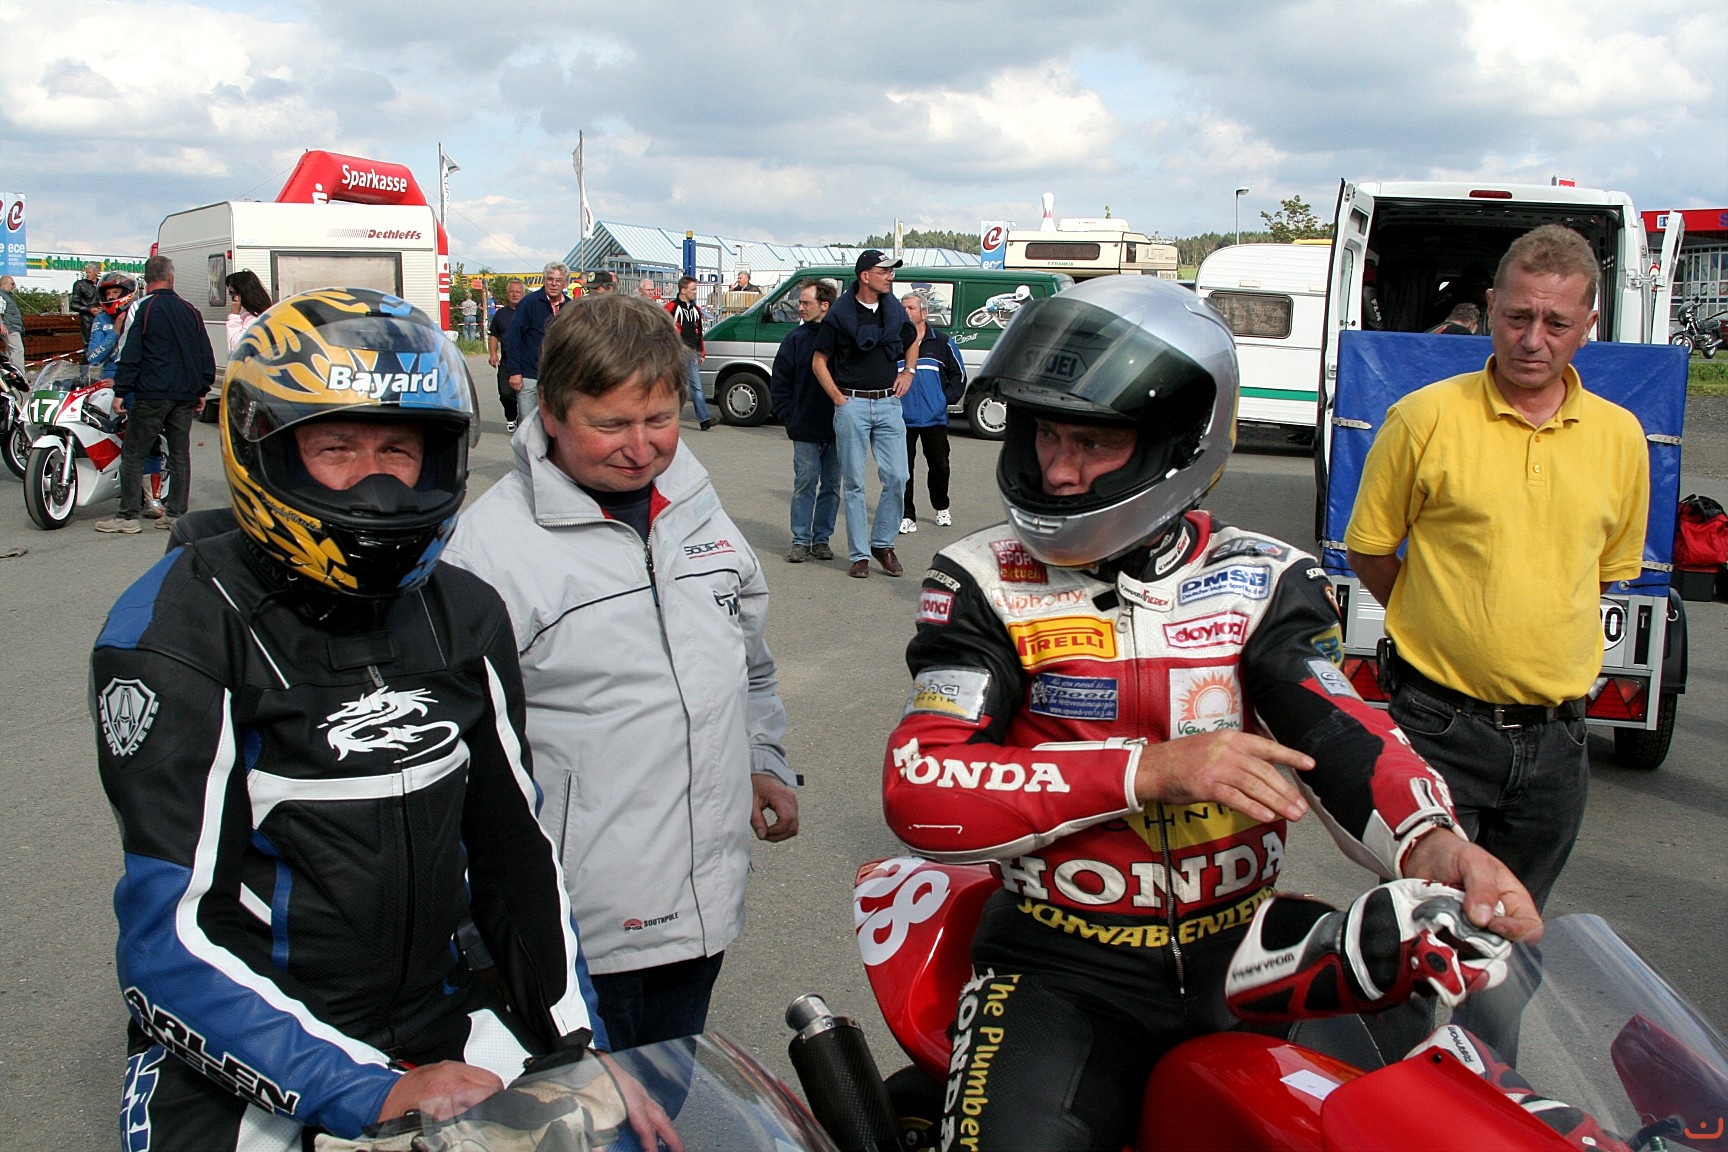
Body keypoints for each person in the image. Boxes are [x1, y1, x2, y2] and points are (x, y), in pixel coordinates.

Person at [883, 275, 1540, 1151]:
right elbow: (921, 784)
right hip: (1059, 965)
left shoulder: (1266, 576)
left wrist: (1434, 842)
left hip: (1247, 955)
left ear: (1178, 443)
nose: (1059, 469)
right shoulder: (980, 578)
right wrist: (1147, 770)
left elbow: (1340, 727)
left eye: (1095, 440)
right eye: (1045, 434)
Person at [90, 287, 661, 1150]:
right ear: (266, 448)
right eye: (336, 447)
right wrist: (365, 1089)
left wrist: (579, 1048)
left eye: (398, 448)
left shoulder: (465, 611)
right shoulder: (178, 630)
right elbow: (167, 938)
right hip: (258, 1038)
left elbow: (516, 854)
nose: (377, 479)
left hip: (441, 1017)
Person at [443, 292, 800, 1051]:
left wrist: (762, 758)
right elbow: (453, 759)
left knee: (670, 1089)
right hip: (577, 931)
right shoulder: (485, 554)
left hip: (703, 907)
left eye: (660, 419)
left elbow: (750, 666)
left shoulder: (698, 508)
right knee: (597, 1105)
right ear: (550, 412)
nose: (641, 448)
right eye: (610, 425)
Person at [1345, 224, 1649, 915]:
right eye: (1517, 316)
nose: (1532, 339)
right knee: (1421, 938)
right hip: (1438, 729)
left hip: (1558, 746)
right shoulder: (1422, 419)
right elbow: (1369, 550)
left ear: (1587, 326)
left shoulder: (1620, 438)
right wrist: (1443, 622)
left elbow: (1598, 575)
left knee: (1510, 939)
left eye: (1556, 323)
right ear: (1490, 308)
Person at [812, 250, 919, 579]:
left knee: (898, 477)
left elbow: (912, 340)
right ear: (864, 276)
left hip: (888, 403)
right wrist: (839, 399)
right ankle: (860, 554)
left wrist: (909, 371)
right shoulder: (839, 315)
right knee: (855, 483)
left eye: (891, 271)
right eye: (883, 271)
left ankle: (882, 544)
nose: (890, 276)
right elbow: (819, 362)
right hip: (852, 404)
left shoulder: (893, 310)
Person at [95, 256, 213, 535]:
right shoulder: (191, 310)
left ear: (146, 281)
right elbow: (204, 353)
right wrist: (202, 388)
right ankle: (175, 514)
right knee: (180, 453)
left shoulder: (143, 308)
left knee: (134, 453)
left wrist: (121, 390)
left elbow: (131, 352)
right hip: (184, 393)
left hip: (152, 392)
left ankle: (127, 516)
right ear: (171, 278)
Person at [769, 278, 840, 563]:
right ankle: (800, 540)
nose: (800, 307)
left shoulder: (841, 338)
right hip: (804, 426)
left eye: (806, 302)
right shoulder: (795, 339)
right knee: (805, 483)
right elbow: (780, 380)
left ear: (825, 305)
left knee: (832, 487)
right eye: (799, 302)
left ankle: (821, 540)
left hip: (838, 428)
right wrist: (788, 415)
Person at [896, 292, 964, 535]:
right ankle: (907, 515)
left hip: (934, 418)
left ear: (924, 313)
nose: (906, 312)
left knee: (940, 466)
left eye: (911, 308)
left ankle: (941, 506)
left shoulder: (942, 342)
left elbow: (959, 375)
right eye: (903, 308)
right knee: (903, 470)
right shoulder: (894, 342)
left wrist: (943, 400)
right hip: (902, 418)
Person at [505, 261, 571, 418]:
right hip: (530, 376)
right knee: (529, 424)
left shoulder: (570, 306)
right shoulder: (529, 303)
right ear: (544, 280)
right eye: (550, 279)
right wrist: (515, 372)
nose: (554, 284)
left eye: (559, 280)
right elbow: (514, 338)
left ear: (565, 283)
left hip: (558, 378)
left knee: (555, 424)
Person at [666, 275, 716, 431]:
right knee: (674, 386)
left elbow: (699, 332)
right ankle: (667, 419)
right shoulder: (671, 307)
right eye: (693, 289)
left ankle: (704, 419)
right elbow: (664, 329)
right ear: (683, 290)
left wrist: (701, 352)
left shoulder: (696, 310)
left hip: (692, 351)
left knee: (696, 386)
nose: (695, 292)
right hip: (677, 351)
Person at [489, 277, 526, 431]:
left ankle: (523, 420)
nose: (515, 294)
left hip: (527, 361)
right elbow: (494, 335)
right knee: (505, 393)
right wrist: (493, 354)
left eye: (518, 292)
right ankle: (511, 416)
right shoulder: (501, 314)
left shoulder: (529, 312)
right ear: (507, 294)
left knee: (526, 395)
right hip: (507, 360)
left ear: (523, 294)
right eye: (512, 292)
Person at [84, 272, 135, 381]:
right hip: (109, 378)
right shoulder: (101, 319)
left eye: (115, 292)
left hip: (135, 379)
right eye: (108, 293)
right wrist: (115, 332)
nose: (110, 296)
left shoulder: (138, 315)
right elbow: (93, 358)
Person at [223, 269, 271, 353]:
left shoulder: (254, 318)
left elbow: (236, 347)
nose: (232, 297)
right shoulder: (251, 314)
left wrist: (234, 316)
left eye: (232, 292)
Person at [70, 261, 101, 345]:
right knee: (89, 344)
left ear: (97, 272)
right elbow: (73, 304)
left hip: (102, 317)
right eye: (86, 272)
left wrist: (103, 308)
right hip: (87, 319)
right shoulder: (80, 284)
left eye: (89, 272)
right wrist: (89, 309)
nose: (87, 274)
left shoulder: (102, 284)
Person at [0, 274, 23, 372]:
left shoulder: (7, 296)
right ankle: (19, 375)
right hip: (10, 328)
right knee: (18, 351)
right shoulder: (1, 296)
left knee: (10, 353)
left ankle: (11, 375)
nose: (14, 286)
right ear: (4, 284)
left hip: (11, 327)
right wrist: (2, 324)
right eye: (12, 284)